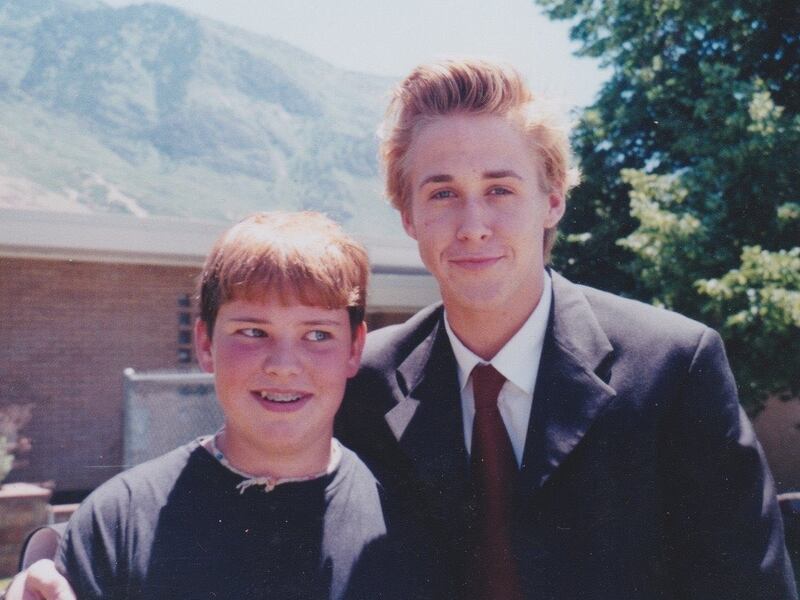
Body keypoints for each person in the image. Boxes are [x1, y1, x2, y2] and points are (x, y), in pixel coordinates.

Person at [9, 59, 798, 600]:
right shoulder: (361, 378)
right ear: (407, 213)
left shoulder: (672, 367)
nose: (474, 223)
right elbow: (235, 513)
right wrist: (50, 561)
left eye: (500, 187)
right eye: (443, 191)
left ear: (553, 199)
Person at [7, 211, 420, 600]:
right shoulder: (117, 523)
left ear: (354, 349)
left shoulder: (401, 522)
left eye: (316, 335)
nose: (282, 366)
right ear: (205, 345)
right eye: (253, 331)